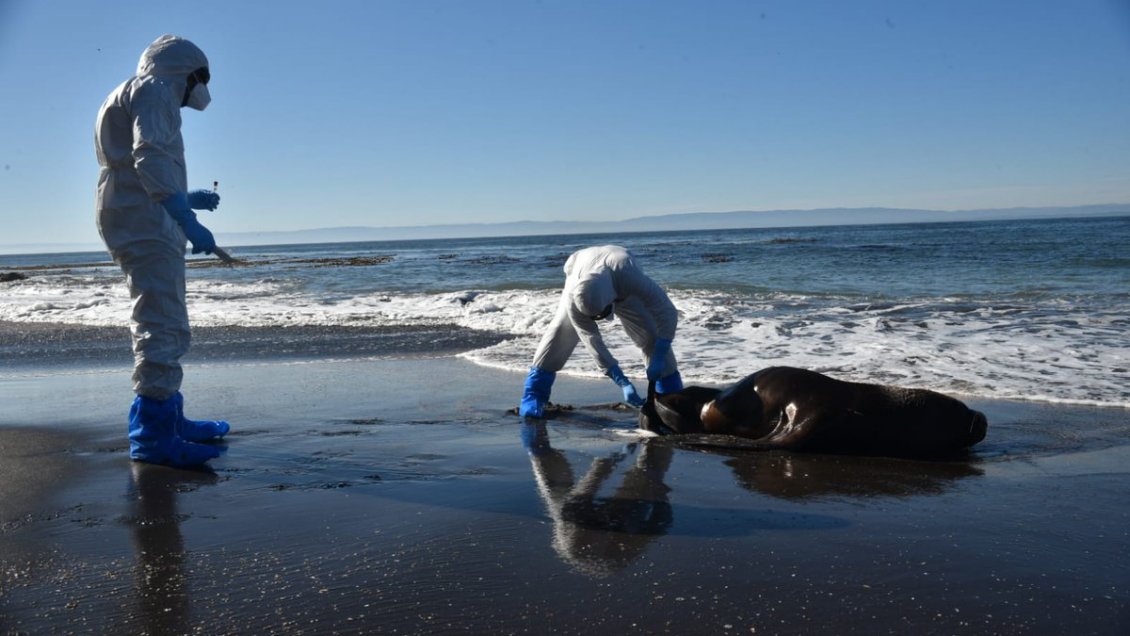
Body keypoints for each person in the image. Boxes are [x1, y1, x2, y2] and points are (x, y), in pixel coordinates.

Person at [95, 35, 229, 467]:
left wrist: (184, 199)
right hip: (143, 220)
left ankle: (169, 419)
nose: (203, 87)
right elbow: (149, 157)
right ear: (183, 71)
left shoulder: (137, 91)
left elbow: (139, 167)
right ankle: (153, 436)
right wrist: (187, 222)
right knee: (161, 322)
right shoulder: (154, 92)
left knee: (165, 318)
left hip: (138, 211)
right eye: (201, 76)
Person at [520, 245, 683, 417]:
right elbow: (592, 341)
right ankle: (534, 396)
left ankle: (672, 396)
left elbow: (667, 311)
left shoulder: (628, 275)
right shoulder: (574, 300)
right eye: (594, 317)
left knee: (651, 335)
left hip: (621, 284)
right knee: (560, 333)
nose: (599, 320)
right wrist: (622, 381)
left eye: (602, 315)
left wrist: (660, 350)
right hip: (579, 272)